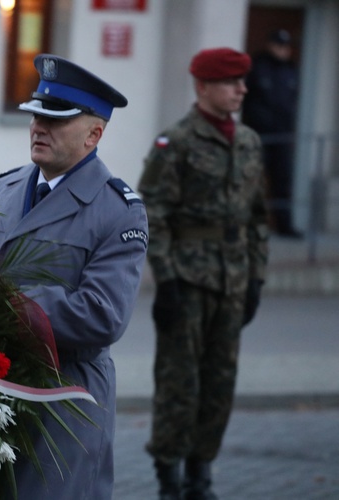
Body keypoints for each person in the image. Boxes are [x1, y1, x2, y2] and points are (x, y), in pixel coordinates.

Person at [0, 54, 148, 499]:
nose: (38, 127)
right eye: (36, 115)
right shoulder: (5, 188)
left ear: (94, 134)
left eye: (55, 120)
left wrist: (6, 305)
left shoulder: (117, 210)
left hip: (64, 401)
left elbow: (103, 316)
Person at [137, 47, 269, 500]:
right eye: (232, 82)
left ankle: (201, 474)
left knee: (219, 383)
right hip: (188, 282)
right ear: (203, 87)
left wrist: (256, 279)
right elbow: (152, 213)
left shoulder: (249, 142)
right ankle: (168, 476)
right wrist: (166, 280)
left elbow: (257, 217)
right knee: (179, 383)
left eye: (242, 82)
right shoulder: (175, 143)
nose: (242, 89)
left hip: (233, 280)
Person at [242, 29, 301, 237]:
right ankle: (249, 227)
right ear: (270, 45)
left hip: (282, 136)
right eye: (279, 45)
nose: (283, 50)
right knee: (253, 181)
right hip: (259, 136)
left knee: (282, 181)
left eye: (286, 46)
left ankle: (285, 226)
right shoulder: (257, 67)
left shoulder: (290, 70)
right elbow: (247, 101)